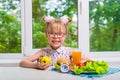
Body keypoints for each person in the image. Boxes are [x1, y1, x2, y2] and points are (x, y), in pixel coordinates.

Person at [20, 16, 89, 70]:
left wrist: (73, 63)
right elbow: (22, 63)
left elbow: (86, 60)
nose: (56, 37)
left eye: (60, 34)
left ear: (65, 36)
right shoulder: (43, 52)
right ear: (47, 35)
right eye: (52, 33)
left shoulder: (69, 51)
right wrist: (36, 65)